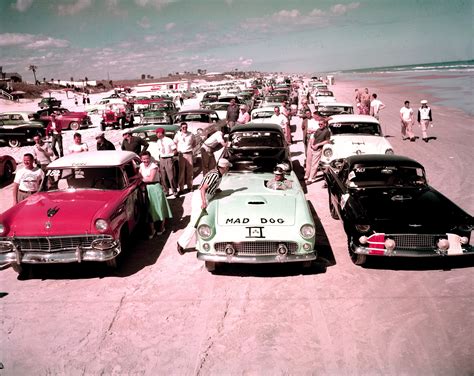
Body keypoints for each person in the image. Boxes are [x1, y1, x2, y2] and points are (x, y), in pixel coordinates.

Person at [177, 158, 232, 253]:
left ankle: (198, 244)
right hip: (201, 197)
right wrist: (203, 202)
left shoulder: (218, 174)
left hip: (206, 196)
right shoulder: (215, 175)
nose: (228, 169)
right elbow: (203, 189)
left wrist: (215, 190)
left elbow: (210, 186)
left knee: (201, 221)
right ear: (223, 167)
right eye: (227, 167)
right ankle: (181, 243)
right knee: (195, 222)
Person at [139, 151, 171, 238]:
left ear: (150, 158)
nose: (146, 160)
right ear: (141, 159)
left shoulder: (154, 166)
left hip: (155, 188)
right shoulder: (141, 166)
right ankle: (152, 230)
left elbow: (151, 179)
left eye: (147, 158)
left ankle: (161, 228)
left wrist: (140, 179)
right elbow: (140, 175)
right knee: (149, 210)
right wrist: (141, 178)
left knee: (159, 208)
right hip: (146, 189)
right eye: (143, 159)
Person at [305, 118, 331, 184]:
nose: (320, 125)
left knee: (314, 164)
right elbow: (314, 137)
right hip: (312, 147)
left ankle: (311, 178)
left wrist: (317, 145)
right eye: (319, 124)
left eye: (321, 124)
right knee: (308, 162)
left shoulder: (327, 131)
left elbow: (327, 141)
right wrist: (312, 144)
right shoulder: (318, 130)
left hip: (318, 149)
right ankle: (307, 175)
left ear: (325, 124)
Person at [155, 127, 178, 197]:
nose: (157, 134)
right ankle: (166, 191)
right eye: (156, 133)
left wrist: (171, 156)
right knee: (163, 177)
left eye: (158, 133)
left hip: (168, 159)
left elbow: (175, 150)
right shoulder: (158, 141)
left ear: (162, 133)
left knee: (171, 176)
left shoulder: (169, 140)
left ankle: (174, 191)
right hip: (161, 159)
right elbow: (159, 151)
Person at [173, 122, 195, 194]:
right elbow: (174, 143)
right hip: (181, 155)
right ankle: (181, 188)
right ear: (181, 128)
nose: (184, 128)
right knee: (181, 172)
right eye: (183, 127)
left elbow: (194, 143)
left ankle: (190, 187)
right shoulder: (177, 135)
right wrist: (176, 151)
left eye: (186, 127)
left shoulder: (191, 134)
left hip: (189, 154)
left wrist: (190, 149)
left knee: (190, 171)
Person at [304, 111, 324, 179]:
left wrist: (314, 130)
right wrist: (313, 130)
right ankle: (307, 174)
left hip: (317, 142)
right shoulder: (313, 121)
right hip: (311, 140)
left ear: (317, 116)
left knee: (314, 162)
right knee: (308, 159)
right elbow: (308, 130)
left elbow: (321, 131)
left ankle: (312, 177)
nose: (313, 117)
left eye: (314, 116)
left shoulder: (322, 122)